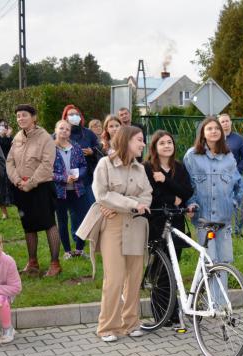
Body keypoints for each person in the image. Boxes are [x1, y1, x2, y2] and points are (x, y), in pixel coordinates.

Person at [76, 125, 152, 342]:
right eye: (139, 140)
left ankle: (131, 323)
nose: (143, 144)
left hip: (136, 226)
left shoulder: (140, 169)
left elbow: (147, 195)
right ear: (127, 141)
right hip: (113, 226)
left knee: (134, 277)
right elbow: (101, 194)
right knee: (115, 278)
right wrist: (131, 204)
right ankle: (107, 326)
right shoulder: (105, 164)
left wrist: (134, 205)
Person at [183, 117, 243, 297]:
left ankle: (221, 304)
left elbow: (239, 184)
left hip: (224, 219)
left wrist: (233, 203)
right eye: (209, 128)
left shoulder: (228, 157)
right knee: (210, 261)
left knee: (224, 262)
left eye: (216, 128)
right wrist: (190, 203)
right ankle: (209, 301)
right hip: (203, 219)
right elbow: (187, 184)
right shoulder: (192, 156)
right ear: (202, 133)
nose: (213, 131)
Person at [145, 130, 194, 327]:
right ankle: (161, 313)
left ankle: (173, 312)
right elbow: (150, 195)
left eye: (169, 142)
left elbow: (187, 191)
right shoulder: (148, 167)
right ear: (155, 147)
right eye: (162, 143)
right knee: (161, 269)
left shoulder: (178, 168)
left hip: (176, 221)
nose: (167, 145)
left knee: (174, 268)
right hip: (157, 221)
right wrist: (172, 198)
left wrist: (166, 182)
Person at [6, 104, 62, 277]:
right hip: (20, 188)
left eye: (24, 115)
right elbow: (9, 162)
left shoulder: (45, 137)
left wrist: (30, 183)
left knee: (48, 224)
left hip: (41, 188)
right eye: (18, 116)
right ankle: (33, 262)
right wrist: (16, 180)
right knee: (28, 225)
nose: (20, 119)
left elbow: (47, 165)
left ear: (34, 117)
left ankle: (55, 264)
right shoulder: (17, 138)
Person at [52, 120, 89, 259]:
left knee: (83, 219)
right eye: (61, 128)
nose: (64, 131)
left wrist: (78, 175)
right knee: (62, 221)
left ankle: (80, 249)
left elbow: (84, 165)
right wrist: (63, 178)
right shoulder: (50, 148)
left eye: (67, 129)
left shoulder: (76, 146)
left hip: (77, 189)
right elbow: (47, 171)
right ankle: (67, 251)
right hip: (60, 192)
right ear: (56, 130)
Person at [218, 113, 243, 236]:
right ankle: (223, 229)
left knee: (238, 203)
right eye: (222, 122)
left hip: (236, 177)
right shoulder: (216, 139)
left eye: (227, 121)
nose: (225, 124)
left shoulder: (239, 139)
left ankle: (238, 231)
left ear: (231, 122)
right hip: (219, 177)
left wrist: (237, 171)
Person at [61, 105, 100, 195]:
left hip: (87, 177)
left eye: (76, 114)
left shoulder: (88, 133)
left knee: (87, 206)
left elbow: (98, 147)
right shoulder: (60, 133)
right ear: (65, 118)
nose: (74, 116)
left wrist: (92, 151)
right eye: (71, 114)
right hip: (66, 177)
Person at [0, 119, 13, 220]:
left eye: (4, 125)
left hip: (11, 166)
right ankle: (4, 212)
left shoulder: (11, 138)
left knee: (12, 187)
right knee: (0, 189)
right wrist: (2, 136)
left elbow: (12, 147)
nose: (2, 127)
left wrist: (8, 136)